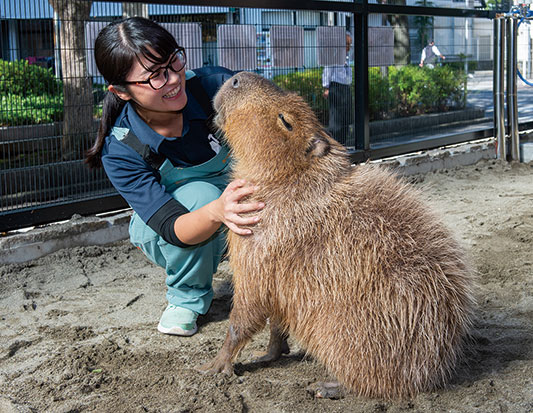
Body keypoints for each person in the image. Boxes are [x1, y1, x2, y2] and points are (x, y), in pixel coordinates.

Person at [85, 17, 264, 337]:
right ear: (122, 91)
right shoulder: (123, 148)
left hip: (243, 206)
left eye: (173, 62)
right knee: (201, 196)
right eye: (154, 76)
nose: (172, 79)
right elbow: (172, 226)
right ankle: (187, 297)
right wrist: (219, 210)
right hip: (178, 227)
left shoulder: (217, 87)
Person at [322, 31, 354, 145]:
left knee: (346, 117)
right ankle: (335, 144)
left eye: (350, 43)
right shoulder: (334, 55)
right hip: (336, 87)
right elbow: (327, 71)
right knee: (336, 119)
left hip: (346, 87)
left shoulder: (346, 57)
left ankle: (343, 143)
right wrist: (326, 87)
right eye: (347, 43)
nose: (349, 47)